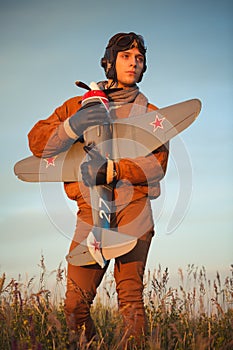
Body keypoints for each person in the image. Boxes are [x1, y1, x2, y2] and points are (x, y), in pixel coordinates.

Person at [28, 32, 169, 348]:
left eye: (139, 58)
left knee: (130, 301)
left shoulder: (152, 114)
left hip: (134, 209)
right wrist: (72, 126)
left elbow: (157, 164)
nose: (133, 62)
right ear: (109, 61)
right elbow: (36, 142)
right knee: (74, 306)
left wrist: (115, 170)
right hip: (91, 210)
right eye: (125, 56)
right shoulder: (77, 105)